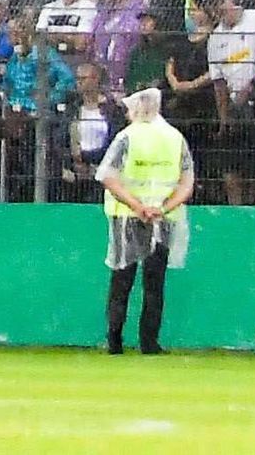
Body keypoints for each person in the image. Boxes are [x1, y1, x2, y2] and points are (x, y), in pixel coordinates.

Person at [98, 81, 193, 356]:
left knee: (121, 277)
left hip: (126, 215)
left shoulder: (127, 137)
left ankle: (114, 340)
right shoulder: (175, 138)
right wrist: (162, 208)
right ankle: (149, 342)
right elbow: (187, 181)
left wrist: (137, 206)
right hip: (164, 217)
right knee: (155, 281)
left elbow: (108, 176)